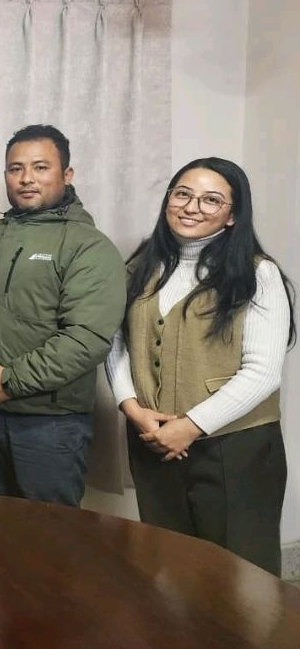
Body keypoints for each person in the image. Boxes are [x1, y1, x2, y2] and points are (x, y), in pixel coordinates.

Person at [106, 157, 294, 575]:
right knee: (168, 568)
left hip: (235, 448)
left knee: (242, 576)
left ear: (233, 215)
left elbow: (263, 372)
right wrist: (132, 408)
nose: (192, 207)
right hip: (152, 438)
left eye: (211, 200)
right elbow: (115, 343)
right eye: (182, 194)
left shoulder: (258, 274)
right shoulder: (139, 266)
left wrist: (189, 427)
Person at [0, 124, 125, 507]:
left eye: (40, 167)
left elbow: (86, 338)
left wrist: (8, 381)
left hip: (51, 425)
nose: (26, 178)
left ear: (67, 174)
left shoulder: (89, 246)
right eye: (16, 168)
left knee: (48, 536)